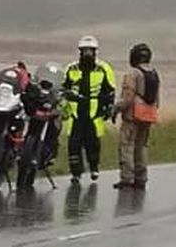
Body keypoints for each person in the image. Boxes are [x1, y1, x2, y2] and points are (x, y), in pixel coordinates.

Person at [61, 35, 116, 182]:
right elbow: (63, 88)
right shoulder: (71, 68)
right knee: (74, 144)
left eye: (90, 51)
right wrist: (65, 101)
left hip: (94, 111)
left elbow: (110, 89)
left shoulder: (103, 68)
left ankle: (94, 167)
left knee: (93, 143)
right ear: (79, 51)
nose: (87, 54)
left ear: (95, 51)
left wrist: (108, 107)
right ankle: (76, 173)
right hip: (75, 112)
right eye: (84, 51)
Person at [112, 42, 160, 190]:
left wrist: (116, 109)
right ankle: (141, 178)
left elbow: (127, 97)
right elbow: (157, 100)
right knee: (142, 147)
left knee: (126, 146)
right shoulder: (154, 73)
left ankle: (127, 179)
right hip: (148, 116)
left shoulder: (133, 73)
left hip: (132, 117)